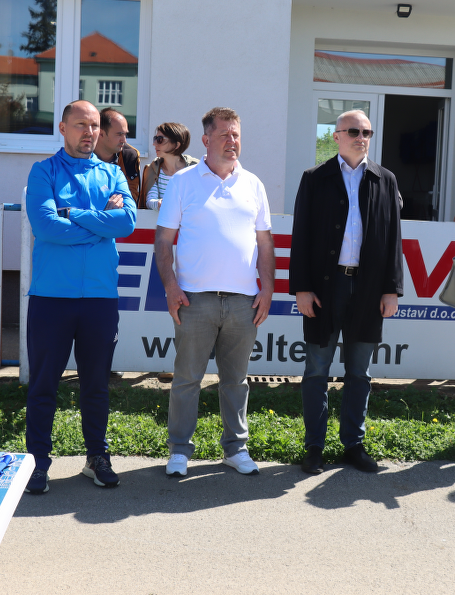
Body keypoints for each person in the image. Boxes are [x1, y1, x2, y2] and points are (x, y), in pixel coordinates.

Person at [23, 100, 137, 494]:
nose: (89, 133)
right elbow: (46, 227)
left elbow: (127, 222)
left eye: (94, 126)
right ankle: (37, 463)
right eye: (80, 125)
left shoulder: (112, 173)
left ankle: (96, 457)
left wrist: (73, 214)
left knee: (96, 385)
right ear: (62, 128)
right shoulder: (43, 171)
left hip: (100, 298)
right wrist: (100, 223)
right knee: (43, 385)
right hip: (51, 298)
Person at [155, 107, 274, 478]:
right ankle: (179, 450)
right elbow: (163, 240)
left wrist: (268, 288)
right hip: (194, 300)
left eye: (236, 134)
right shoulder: (183, 182)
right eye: (224, 134)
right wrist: (170, 286)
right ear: (206, 139)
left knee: (236, 381)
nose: (232, 141)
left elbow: (265, 243)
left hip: (243, 301)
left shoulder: (253, 184)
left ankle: (235, 449)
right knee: (186, 379)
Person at [289, 109, 403, 475]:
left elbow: (393, 238)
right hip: (326, 287)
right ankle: (314, 447)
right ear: (336, 135)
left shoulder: (385, 179)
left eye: (367, 132)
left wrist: (392, 289)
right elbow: (301, 236)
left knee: (359, 372)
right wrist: (302, 288)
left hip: (369, 289)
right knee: (316, 370)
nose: (361, 137)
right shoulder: (315, 178)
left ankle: (354, 445)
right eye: (354, 131)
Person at [141, 122, 198, 210]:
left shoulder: (195, 169)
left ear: (177, 145)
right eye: (155, 138)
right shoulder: (153, 169)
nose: (154, 143)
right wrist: (159, 203)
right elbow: (149, 202)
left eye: (160, 139)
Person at [94, 107, 142, 207]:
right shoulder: (82, 153)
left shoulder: (129, 155)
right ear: (101, 134)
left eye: (125, 134)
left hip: (118, 214)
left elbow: (131, 196)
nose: (124, 140)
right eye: (119, 134)